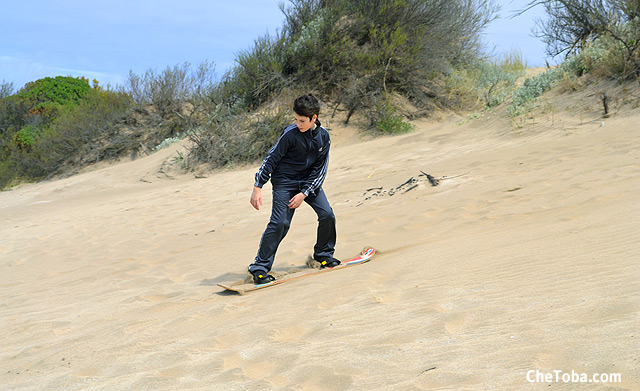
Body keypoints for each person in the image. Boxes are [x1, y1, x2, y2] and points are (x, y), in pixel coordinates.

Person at [248, 94, 340, 284]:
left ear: (314, 118)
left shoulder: (323, 137)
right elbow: (271, 159)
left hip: (308, 183)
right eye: (296, 119)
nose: (298, 123)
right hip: (285, 182)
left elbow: (320, 170)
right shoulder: (290, 134)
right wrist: (258, 186)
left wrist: (304, 193)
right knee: (280, 223)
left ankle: (323, 254)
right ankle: (259, 268)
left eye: (302, 120)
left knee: (327, 215)